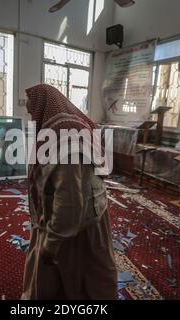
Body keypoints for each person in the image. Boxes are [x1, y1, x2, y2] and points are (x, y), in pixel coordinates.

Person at [21, 84, 117, 300]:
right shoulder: (67, 128)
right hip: (79, 218)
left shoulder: (66, 139)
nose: (31, 118)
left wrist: (51, 245)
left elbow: (70, 203)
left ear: (43, 107)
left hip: (76, 228)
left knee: (78, 282)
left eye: (31, 112)